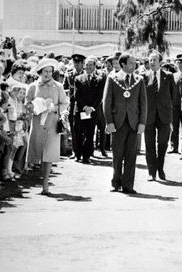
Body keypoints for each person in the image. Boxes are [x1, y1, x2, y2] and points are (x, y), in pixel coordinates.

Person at [103, 53, 147, 194]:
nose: (134, 65)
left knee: (131, 155)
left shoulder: (139, 80)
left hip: (133, 123)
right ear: (122, 64)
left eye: (134, 63)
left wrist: (142, 123)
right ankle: (116, 182)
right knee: (117, 154)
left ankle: (128, 185)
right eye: (131, 63)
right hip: (118, 122)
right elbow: (107, 102)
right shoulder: (112, 78)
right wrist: (109, 122)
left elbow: (143, 104)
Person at [26, 58, 69, 196]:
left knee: (49, 154)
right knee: (39, 153)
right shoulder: (33, 86)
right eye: (45, 72)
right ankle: (41, 178)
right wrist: (35, 107)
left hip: (52, 124)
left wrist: (54, 108)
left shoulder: (58, 86)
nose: (48, 74)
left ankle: (45, 183)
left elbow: (64, 103)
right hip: (38, 123)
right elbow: (27, 103)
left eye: (50, 71)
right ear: (40, 72)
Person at [142, 51, 175, 181]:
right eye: (150, 60)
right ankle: (151, 172)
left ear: (160, 62)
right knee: (149, 144)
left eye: (154, 60)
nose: (152, 62)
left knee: (162, 144)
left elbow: (173, 96)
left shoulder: (168, 76)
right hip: (149, 116)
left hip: (164, 116)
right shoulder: (143, 76)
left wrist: (168, 111)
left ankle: (160, 169)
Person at [74, 56, 103, 164]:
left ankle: (86, 156)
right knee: (79, 133)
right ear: (84, 66)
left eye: (91, 65)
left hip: (93, 111)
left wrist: (92, 108)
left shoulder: (99, 80)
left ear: (95, 67)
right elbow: (77, 95)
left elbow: (99, 96)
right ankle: (78, 154)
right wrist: (85, 107)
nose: (89, 67)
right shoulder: (78, 79)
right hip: (81, 110)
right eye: (87, 65)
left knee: (90, 134)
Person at [63, 53, 85, 160]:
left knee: (83, 128)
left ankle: (83, 150)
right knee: (73, 128)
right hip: (72, 104)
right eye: (74, 63)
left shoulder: (86, 74)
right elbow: (64, 89)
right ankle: (75, 152)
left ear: (82, 64)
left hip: (83, 105)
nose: (75, 65)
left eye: (78, 63)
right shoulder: (69, 75)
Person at [169, 54, 182, 154]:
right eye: (178, 63)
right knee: (174, 127)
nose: (180, 65)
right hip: (175, 104)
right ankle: (174, 147)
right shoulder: (173, 76)